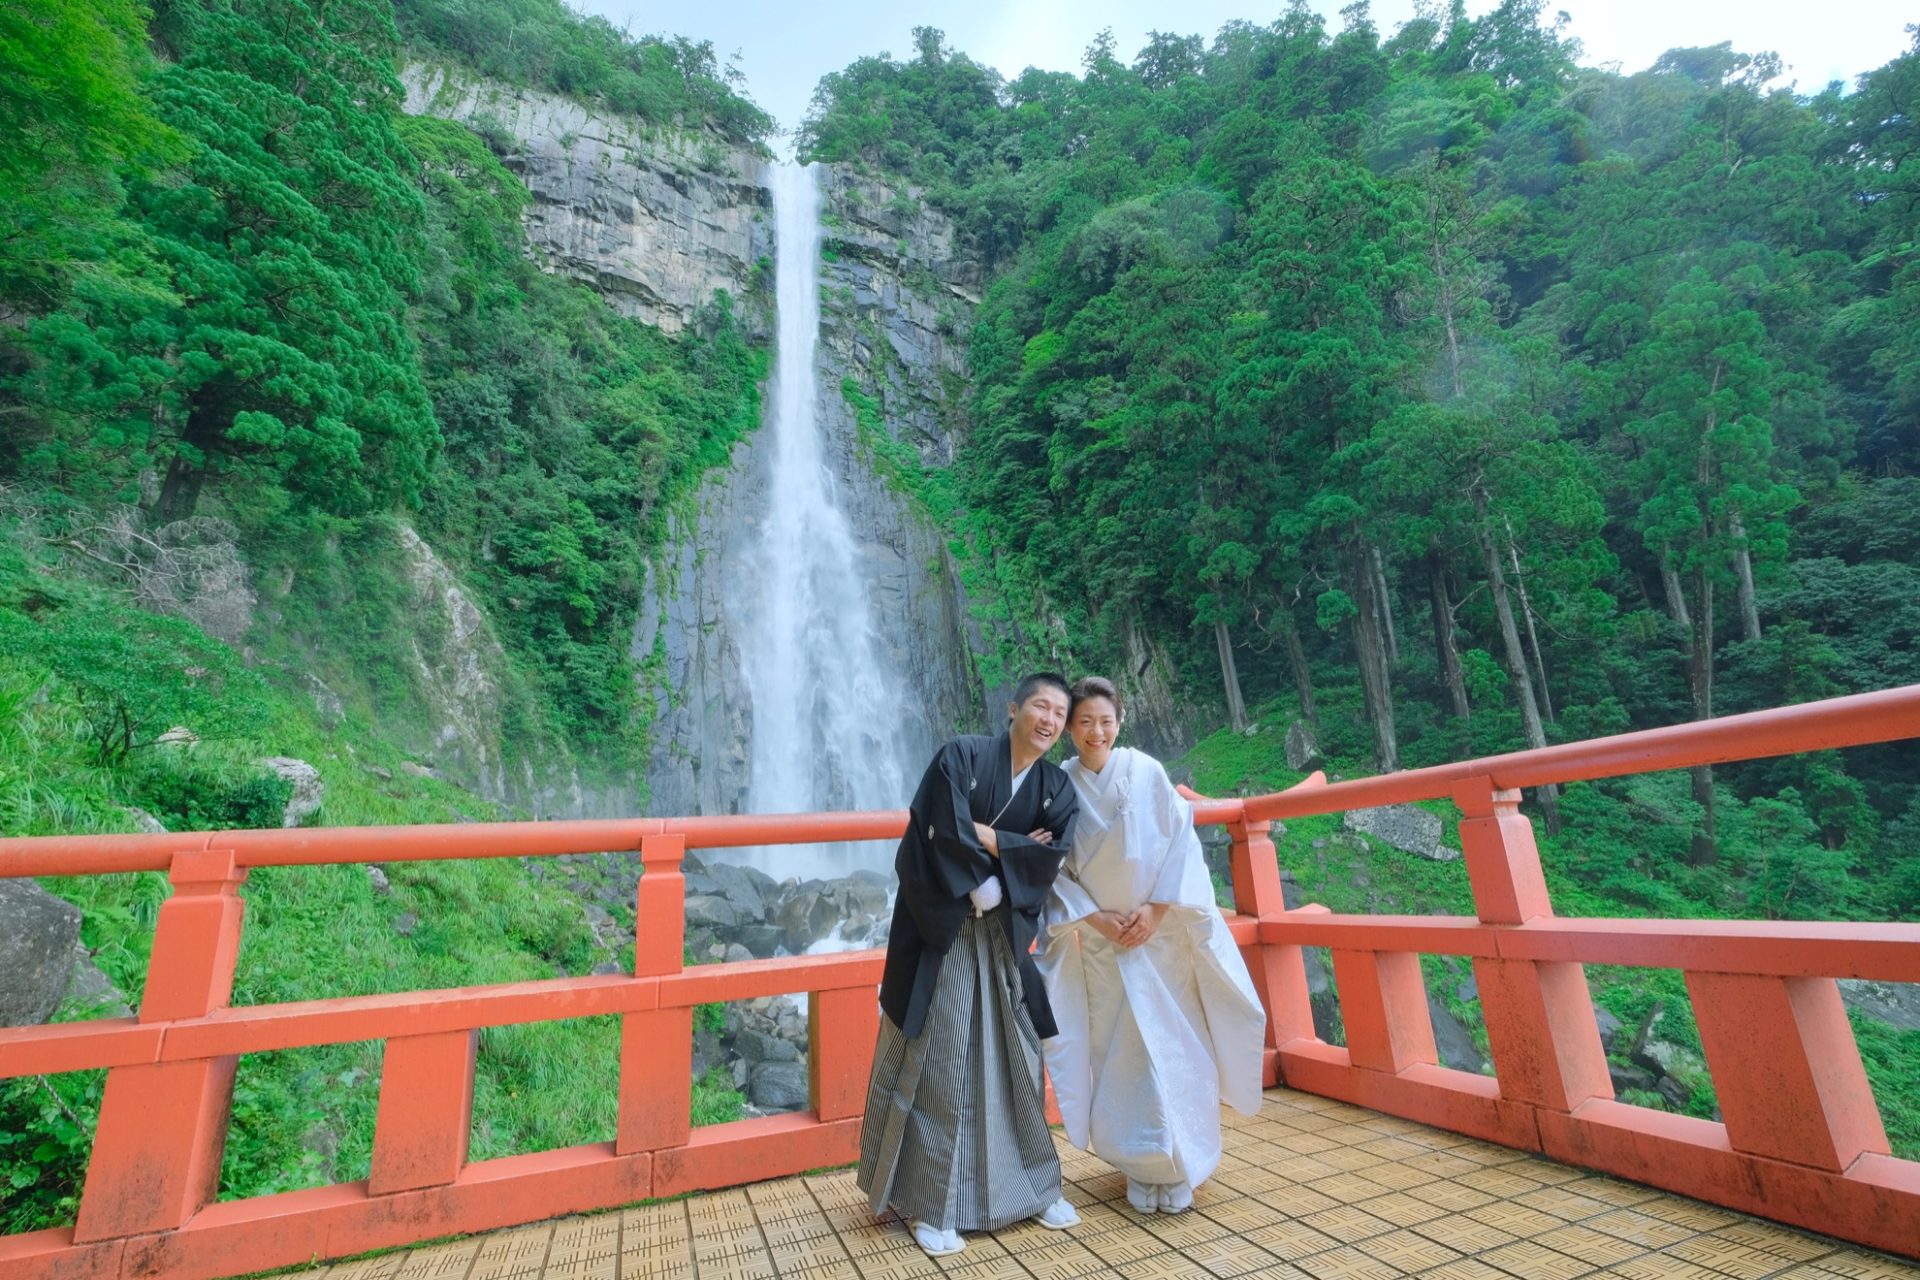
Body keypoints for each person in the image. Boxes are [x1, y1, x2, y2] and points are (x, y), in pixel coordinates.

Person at [857, 672, 1083, 1258]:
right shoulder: (960, 755)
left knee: (1018, 1061)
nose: (1050, 719)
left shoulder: (1056, 787)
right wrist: (997, 862)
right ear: (1013, 709)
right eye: (1040, 705)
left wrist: (990, 843)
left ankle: (1033, 1190)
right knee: (940, 1064)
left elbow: (1052, 851)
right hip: (947, 934)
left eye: (1060, 713)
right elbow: (931, 831)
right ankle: (933, 1206)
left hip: (1005, 938)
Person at [1036, 676, 1266, 1214]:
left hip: (1157, 937)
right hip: (1100, 943)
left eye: (1106, 721)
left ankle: (1183, 1162)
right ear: (1071, 727)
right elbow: (1050, 867)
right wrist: (1094, 919)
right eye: (1085, 721)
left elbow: (1180, 845)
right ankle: (1138, 1165)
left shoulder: (1147, 772)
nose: (1097, 732)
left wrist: (1157, 909)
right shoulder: (1057, 786)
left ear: (1121, 722)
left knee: (1175, 1044)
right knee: (1118, 1054)